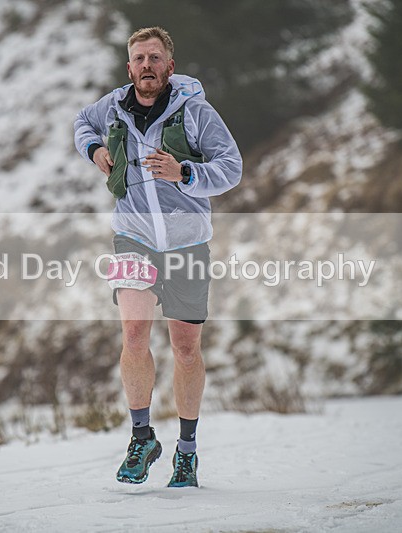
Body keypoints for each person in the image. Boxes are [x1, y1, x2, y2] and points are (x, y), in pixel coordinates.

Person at [74, 26, 242, 488]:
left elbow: (231, 168)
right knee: (133, 333)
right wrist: (95, 149)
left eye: (154, 58)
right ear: (129, 69)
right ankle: (142, 436)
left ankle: (186, 452)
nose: (146, 66)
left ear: (170, 65)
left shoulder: (196, 111)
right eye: (138, 59)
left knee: (185, 348)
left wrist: (184, 172)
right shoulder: (111, 106)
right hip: (133, 237)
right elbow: (81, 123)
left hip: (188, 243)